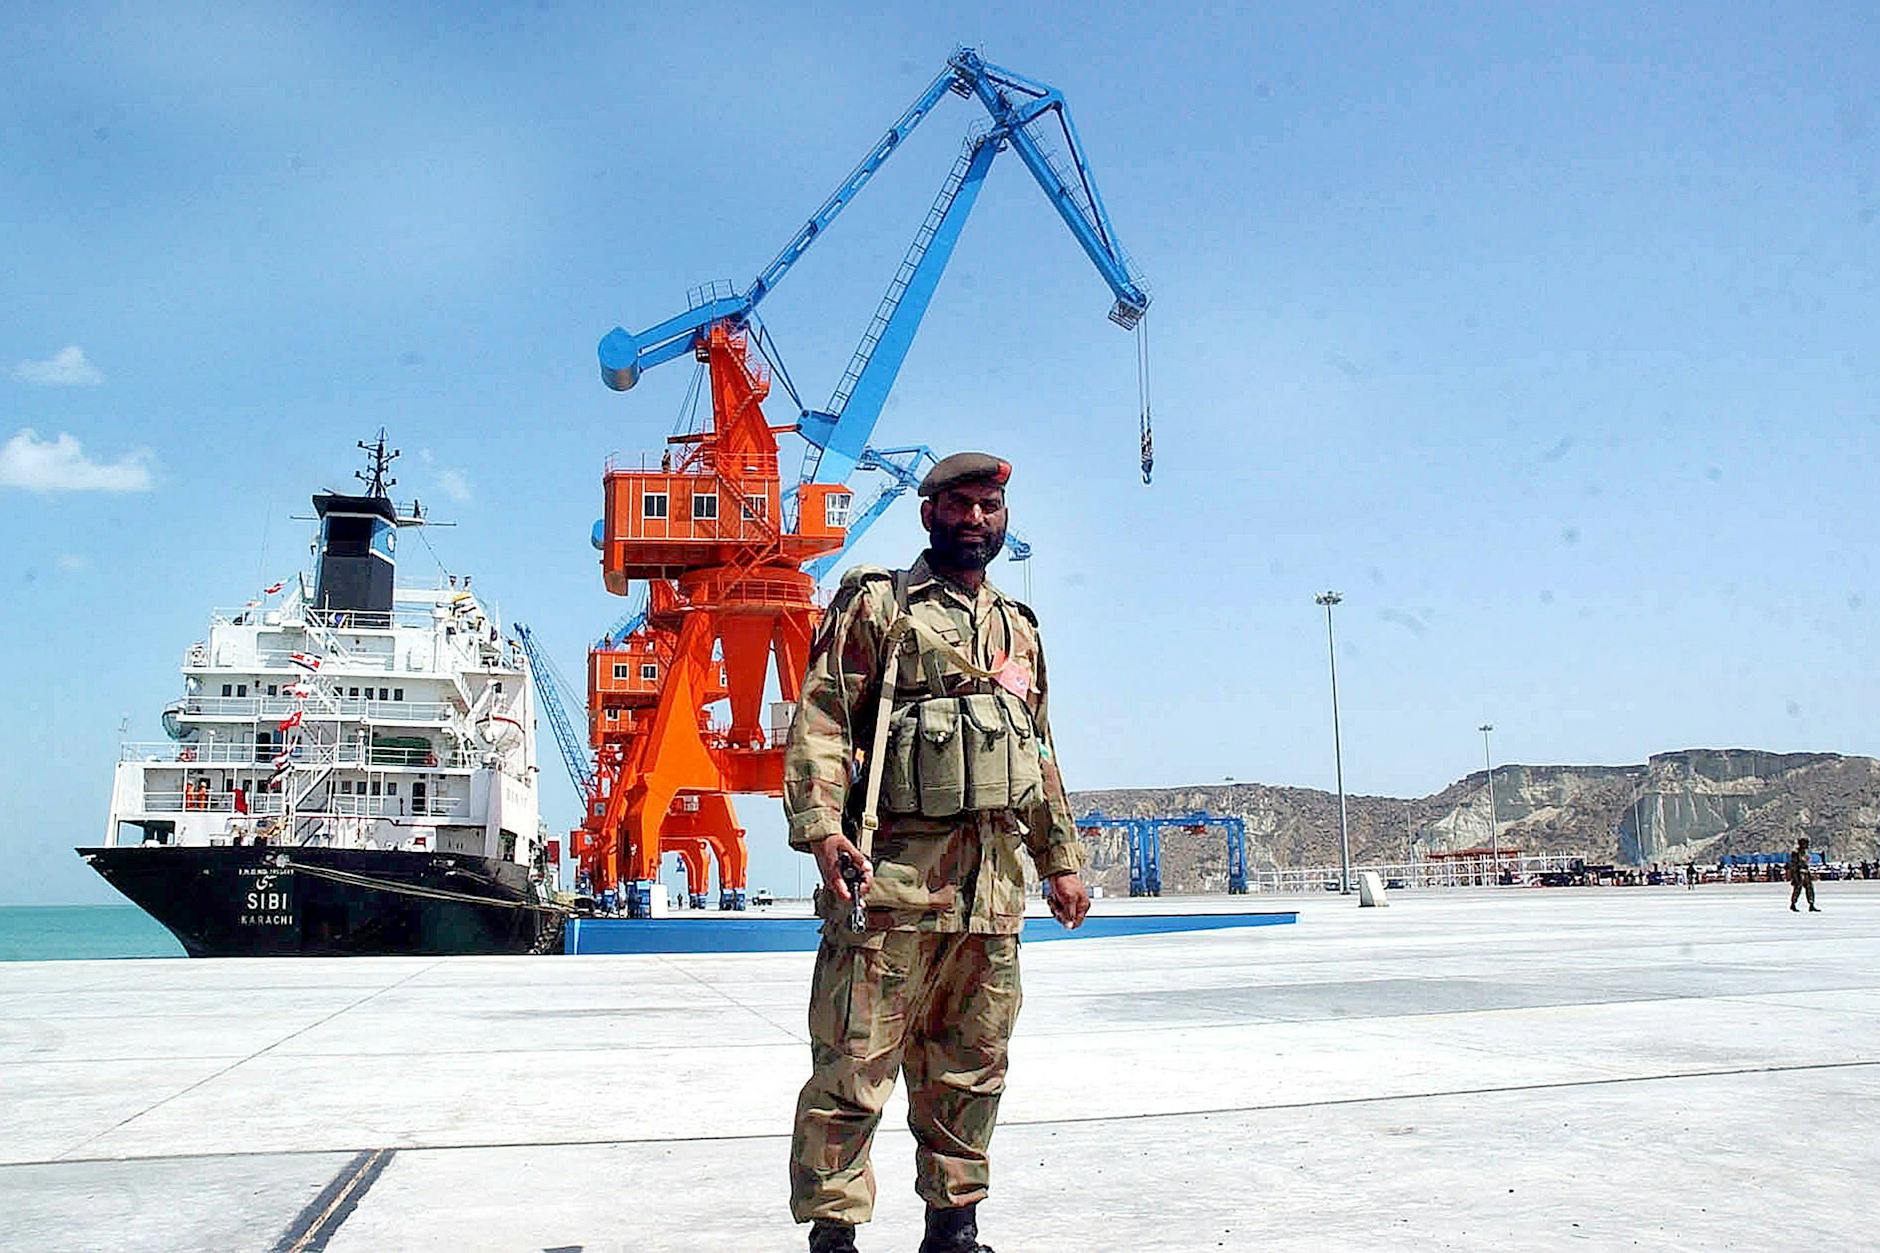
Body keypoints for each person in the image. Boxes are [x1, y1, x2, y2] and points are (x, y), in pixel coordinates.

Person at [783, 451, 1091, 1253]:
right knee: (853, 1068)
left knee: (971, 1071)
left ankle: (954, 1230)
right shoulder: (878, 604)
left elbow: (1039, 753)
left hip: (990, 896)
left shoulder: (1019, 629)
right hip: (890, 885)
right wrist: (821, 827)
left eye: (990, 505)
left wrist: (1059, 860)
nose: (976, 519)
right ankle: (834, 1238)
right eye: (960, 505)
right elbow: (823, 718)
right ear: (929, 515)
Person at [1788, 837, 1819, 912]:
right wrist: (1794, 876)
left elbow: (1806, 862)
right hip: (1798, 873)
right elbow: (1793, 865)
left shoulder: (1805, 852)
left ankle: (1811, 904)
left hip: (1805, 872)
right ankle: (1793, 904)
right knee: (1797, 889)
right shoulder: (1796, 853)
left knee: (1810, 888)